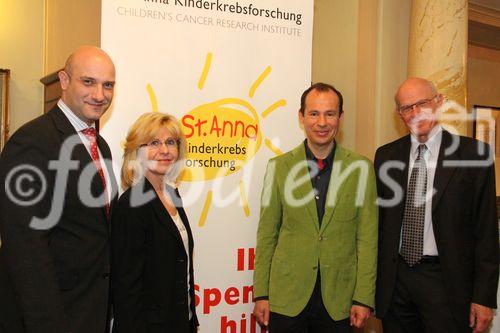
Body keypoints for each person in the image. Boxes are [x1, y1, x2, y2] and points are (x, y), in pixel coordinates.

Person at [0, 46, 118, 333]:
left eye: (108, 85)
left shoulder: (100, 145)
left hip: (91, 311)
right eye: (88, 82)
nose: (99, 94)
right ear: (64, 81)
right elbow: (26, 251)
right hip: (53, 317)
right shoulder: (31, 142)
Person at [375, 77, 499, 333]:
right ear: (399, 114)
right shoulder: (386, 156)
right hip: (395, 282)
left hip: (446, 282)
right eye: (406, 107)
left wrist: (484, 298)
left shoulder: (475, 155)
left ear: (440, 102)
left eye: (422, 103)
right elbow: (379, 222)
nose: (415, 112)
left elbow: (487, 233)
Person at [253, 82, 378, 332]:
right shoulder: (279, 167)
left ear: (340, 117)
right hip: (287, 297)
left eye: (330, 114)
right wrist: (261, 293)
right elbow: (267, 234)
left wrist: (363, 297)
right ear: (301, 117)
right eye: (314, 113)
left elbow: (367, 237)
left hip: (339, 299)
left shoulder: (361, 168)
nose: (322, 122)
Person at [111, 112, 198, 333]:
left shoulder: (172, 195)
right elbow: (126, 288)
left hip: (180, 323)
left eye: (170, 142)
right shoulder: (131, 204)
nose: (164, 150)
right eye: (154, 143)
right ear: (137, 151)